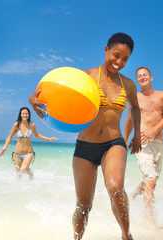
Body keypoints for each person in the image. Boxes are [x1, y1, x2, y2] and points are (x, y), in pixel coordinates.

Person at [29, 33, 141, 240]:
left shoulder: (128, 84)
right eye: (116, 55)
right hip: (85, 147)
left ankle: (126, 236)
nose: (119, 62)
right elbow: (50, 91)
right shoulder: (85, 77)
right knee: (83, 206)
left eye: (125, 59)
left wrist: (135, 135)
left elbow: (135, 108)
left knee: (116, 188)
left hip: (114, 144)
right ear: (106, 50)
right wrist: (33, 99)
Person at [124, 67, 163, 226]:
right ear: (137, 81)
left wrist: (154, 130)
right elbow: (130, 120)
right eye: (139, 76)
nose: (142, 77)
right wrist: (124, 140)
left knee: (151, 181)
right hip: (142, 143)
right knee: (151, 180)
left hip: (158, 144)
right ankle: (152, 220)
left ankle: (131, 196)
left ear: (151, 77)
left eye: (145, 75)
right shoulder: (135, 97)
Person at [0, 107, 58, 179]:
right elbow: (10, 137)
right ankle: (21, 188)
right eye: (23, 114)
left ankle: (31, 175)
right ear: (20, 115)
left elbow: (36, 135)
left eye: (26, 113)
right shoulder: (16, 125)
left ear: (29, 115)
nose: (25, 115)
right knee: (18, 174)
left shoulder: (32, 125)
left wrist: (48, 139)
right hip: (17, 153)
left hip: (28, 153)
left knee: (23, 169)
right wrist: (4, 148)